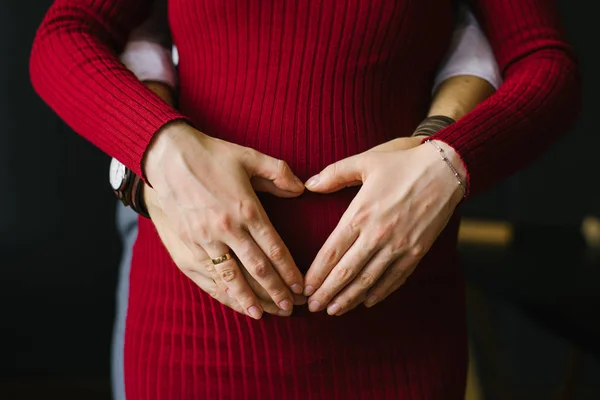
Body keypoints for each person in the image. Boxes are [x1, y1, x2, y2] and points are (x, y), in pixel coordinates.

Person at [30, 0, 580, 399]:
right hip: (193, 328)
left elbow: (545, 62)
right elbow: (65, 33)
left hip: (396, 334)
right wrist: (158, 144)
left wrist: (450, 162)